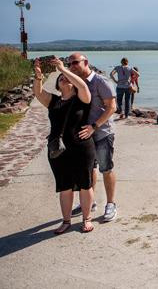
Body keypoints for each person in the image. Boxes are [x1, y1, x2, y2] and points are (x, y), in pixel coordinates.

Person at [33, 57, 96, 233]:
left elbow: (83, 86)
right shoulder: (53, 101)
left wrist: (63, 69)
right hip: (58, 149)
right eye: (60, 78)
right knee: (65, 186)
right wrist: (38, 77)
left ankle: (87, 219)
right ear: (57, 85)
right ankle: (66, 221)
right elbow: (38, 93)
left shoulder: (82, 97)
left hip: (82, 147)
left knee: (85, 184)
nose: (63, 78)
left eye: (66, 77)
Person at [68, 52, 119, 222]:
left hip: (102, 132)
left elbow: (112, 107)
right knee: (90, 169)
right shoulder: (77, 83)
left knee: (106, 168)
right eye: (70, 64)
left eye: (75, 63)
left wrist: (94, 126)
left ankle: (111, 204)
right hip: (85, 133)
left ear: (86, 62)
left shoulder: (101, 81)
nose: (73, 66)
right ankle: (90, 202)